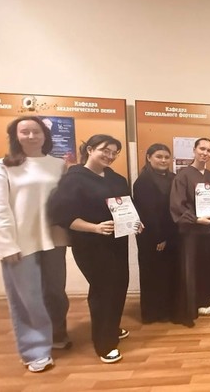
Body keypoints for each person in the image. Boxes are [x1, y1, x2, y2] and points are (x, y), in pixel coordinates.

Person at [0, 116, 70, 373]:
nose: (31, 136)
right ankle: (35, 350)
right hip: (21, 243)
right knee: (27, 298)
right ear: (16, 136)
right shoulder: (3, 166)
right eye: (25, 132)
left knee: (56, 292)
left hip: (54, 238)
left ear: (45, 135)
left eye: (36, 131)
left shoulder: (59, 165)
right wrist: (6, 244)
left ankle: (57, 334)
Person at [49, 134, 134, 364]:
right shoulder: (74, 178)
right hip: (90, 244)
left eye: (114, 152)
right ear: (89, 149)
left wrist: (135, 222)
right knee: (103, 290)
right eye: (105, 150)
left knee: (119, 285)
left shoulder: (116, 178)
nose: (110, 156)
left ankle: (111, 327)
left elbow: (126, 207)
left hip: (117, 241)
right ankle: (104, 343)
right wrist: (94, 228)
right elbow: (62, 216)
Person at [170, 138, 210, 325]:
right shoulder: (183, 176)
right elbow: (177, 205)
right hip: (192, 232)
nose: (205, 153)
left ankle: (206, 300)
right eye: (202, 149)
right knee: (192, 269)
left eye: (209, 150)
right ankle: (192, 306)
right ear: (194, 150)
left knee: (207, 268)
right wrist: (195, 219)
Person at [133, 143, 178, 324]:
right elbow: (148, 212)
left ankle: (167, 309)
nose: (163, 160)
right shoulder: (143, 181)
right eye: (159, 156)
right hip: (152, 237)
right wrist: (160, 238)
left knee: (168, 274)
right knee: (153, 275)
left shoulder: (173, 178)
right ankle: (152, 313)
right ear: (149, 157)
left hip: (171, 234)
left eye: (166, 157)